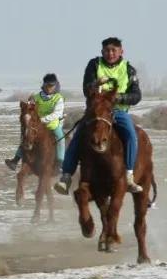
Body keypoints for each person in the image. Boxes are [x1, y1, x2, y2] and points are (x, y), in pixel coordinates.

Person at [54, 37, 143, 195]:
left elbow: (136, 96)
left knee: (131, 134)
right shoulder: (94, 65)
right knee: (78, 135)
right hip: (96, 110)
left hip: (118, 111)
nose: (110, 53)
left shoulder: (129, 70)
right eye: (107, 50)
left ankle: (129, 175)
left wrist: (118, 98)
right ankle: (66, 176)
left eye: (114, 50)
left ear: (121, 51)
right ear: (102, 52)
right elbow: (86, 89)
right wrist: (95, 85)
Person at [4, 73, 65, 171]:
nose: (50, 88)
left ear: (55, 86)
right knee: (27, 137)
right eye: (48, 85)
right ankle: (15, 160)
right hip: (36, 126)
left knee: (61, 139)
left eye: (52, 86)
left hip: (52, 126)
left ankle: (61, 164)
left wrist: (42, 119)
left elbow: (57, 113)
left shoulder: (58, 98)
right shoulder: (36, 97)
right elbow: (29, 109)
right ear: (44, 85)